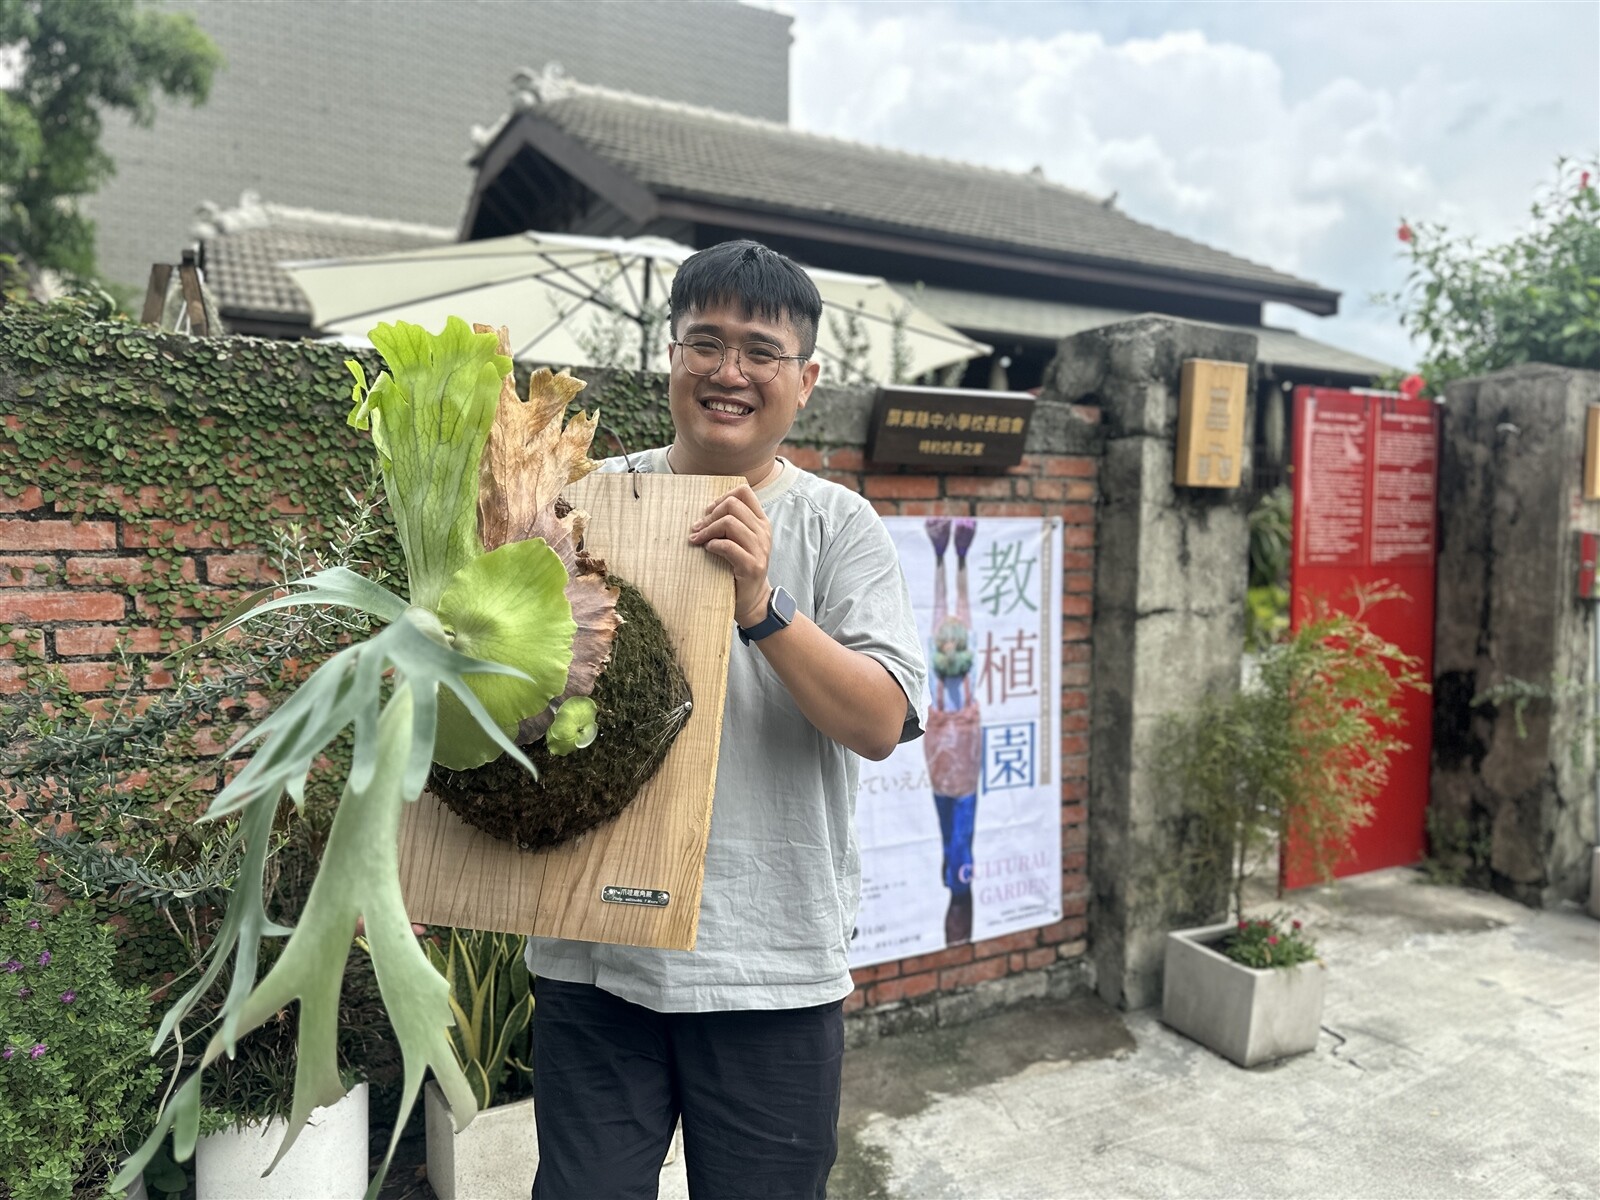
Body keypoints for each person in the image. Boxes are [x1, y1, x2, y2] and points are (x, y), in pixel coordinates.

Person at [525, 239, 928, 1200]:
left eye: (761, 350)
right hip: (595, 955)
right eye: (705, 342)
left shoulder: (838, 525)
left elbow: (883, 720)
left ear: (807, 378)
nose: (729, 372)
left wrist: (763, 606)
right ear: (670, 355)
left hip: (769, 967)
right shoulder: (588, 498)